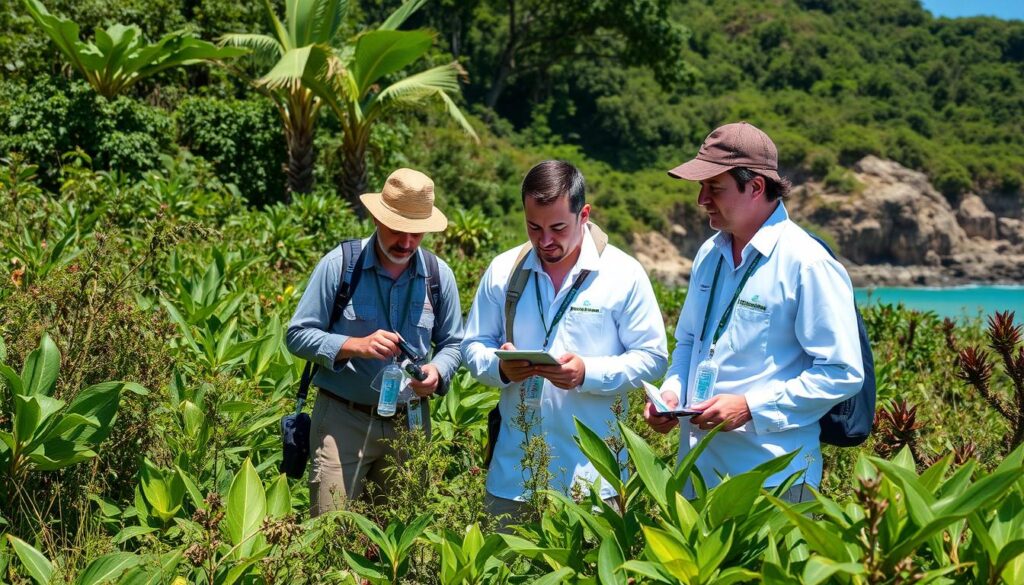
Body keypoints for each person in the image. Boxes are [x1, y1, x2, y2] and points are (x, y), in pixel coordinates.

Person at [644, 122, 864, 502]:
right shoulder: (709, 253)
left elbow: (843, 373)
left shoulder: (808, 263)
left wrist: (750, 407)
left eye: (715, 187)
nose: (701, 199)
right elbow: (689, 342)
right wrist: (671, 395)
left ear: (756, 186)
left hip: (773, 480)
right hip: (697, 472)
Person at [462, 160, 668, 527]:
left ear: (584, 214)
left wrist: (588, 372)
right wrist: (500, 369)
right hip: (513, 476)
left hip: (595, 483)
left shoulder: (623, 274)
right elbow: (473, 345)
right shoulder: (504, 270)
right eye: (533, 227)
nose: (545, 241)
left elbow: (653, 358)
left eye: (558, 228)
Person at [286, 168, 463, 516]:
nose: (407, 243)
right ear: (376, 218)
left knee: (397, 535)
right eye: (398, 230)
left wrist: (436, 373)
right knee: (331, 533)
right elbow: (297, 335)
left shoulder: (439, 275)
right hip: (342, 421)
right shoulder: (339, 265)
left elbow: (453, 343)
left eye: (417, 233)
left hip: (409, 423)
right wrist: (354, 345)